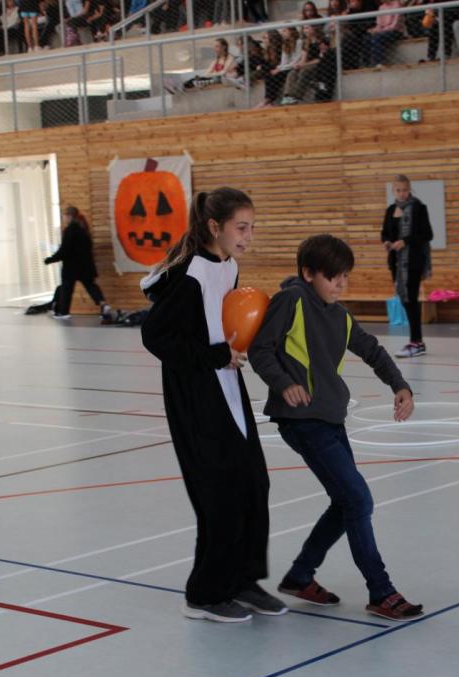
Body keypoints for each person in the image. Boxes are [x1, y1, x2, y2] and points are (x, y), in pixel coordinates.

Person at [249, 234, 423, 621]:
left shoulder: (340, 315)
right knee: (358, 500)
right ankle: (381, 591)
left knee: (346, 502)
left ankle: (299, 576)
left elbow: (372, 350)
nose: (340, 284)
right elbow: (260, 349)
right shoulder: (291, 301)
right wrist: (284, 383)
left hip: (330, 418)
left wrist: (400, 385)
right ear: (308, 273)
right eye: (333, 277)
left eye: (345, 276)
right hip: (302, 420)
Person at [139, 187, 282, 623]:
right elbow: (155, 336)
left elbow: (223, 323)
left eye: (252, 228)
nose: (248, 236)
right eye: (242, 228)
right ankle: (204, 593)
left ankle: (243, 580)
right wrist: (214, 355)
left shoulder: (229, 266)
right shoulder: (189, 274)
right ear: (215, 227)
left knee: (254, 483)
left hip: (228, 386)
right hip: (195, 395)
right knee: (219, 493)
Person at [382, 174, 433, 358]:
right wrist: (387, 242)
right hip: (396, 263)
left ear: (409, 189)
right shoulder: (390, 210)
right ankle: (416, 341)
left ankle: (416, 342)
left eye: (405, 190)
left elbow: (427, 234)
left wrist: (405, 241)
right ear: (393, 191)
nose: (402, 193)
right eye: (398, 190)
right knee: (405, 300)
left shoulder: (418, 208)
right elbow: (385, 232)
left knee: (411, 300)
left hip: (412, 262)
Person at [42, 205, 113, 320]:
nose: (63, 218)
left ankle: (63, 312)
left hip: (71, 266)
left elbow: (64, 250)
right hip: (86, 265)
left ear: (69, 216)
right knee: (91, 286)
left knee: (66, 288)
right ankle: (103, 304)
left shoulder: (69, 230)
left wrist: (50, 259)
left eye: (64, 216)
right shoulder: (83, 229)